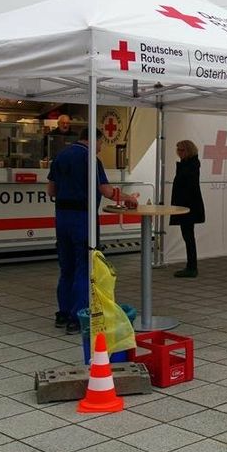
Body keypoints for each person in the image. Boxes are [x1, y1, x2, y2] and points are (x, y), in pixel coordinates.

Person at [47, 128, 138, 334]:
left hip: (62, 218)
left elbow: (51, 190)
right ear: (94, 140)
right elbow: (105, 190)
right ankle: (76, 318)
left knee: (66, 268)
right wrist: (128, 198)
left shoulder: (60, 156)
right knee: (85, 266)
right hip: (83, 218)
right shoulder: (91, 160)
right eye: (101, 143)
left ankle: (63, 313)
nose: (100, 147)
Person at [169, 140, 205, 278]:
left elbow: (187, 186)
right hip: (186, 205)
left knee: (188, 236)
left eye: (182, 150)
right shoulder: (188, 164)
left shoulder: (191, 165)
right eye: (177, 150)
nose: (179, 153)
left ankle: (192, 267)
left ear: (189, 150)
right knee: (187, 236)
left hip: (188, 207)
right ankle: (191, 265)